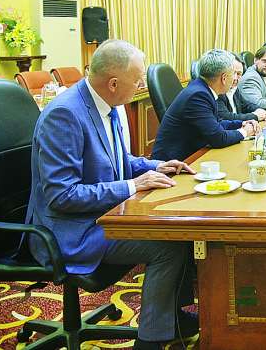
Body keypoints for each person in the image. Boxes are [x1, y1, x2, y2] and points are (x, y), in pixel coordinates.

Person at [25, 39, 199, 349]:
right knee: (168, 245)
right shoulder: (64, 115)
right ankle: (150, 342)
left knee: (179, 229)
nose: (142, 84)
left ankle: (170, 318)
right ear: (114, 83)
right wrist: (133, 185)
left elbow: (117, 160)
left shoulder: (107, 104)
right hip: (70, 231)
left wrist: (157, 165)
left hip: (102, 215)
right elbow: (62, 195)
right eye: (138, 79)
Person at [152, 49, 259, 161]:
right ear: (224, 78)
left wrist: (241, 123)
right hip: (173, 164)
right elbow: (218, 138)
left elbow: (216, 124)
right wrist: (245, 131)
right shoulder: (198, 96)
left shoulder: (202, 89)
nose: (235, 78)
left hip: (192, 156)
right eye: (233, 74)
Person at [217, 54, 266, 122]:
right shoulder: (218, 90)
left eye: (239, 74)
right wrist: (255, 116)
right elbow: (226, 117)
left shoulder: (234, 88)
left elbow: (246, 105)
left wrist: (259, 110)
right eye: (233, 73)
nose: (235, 78)